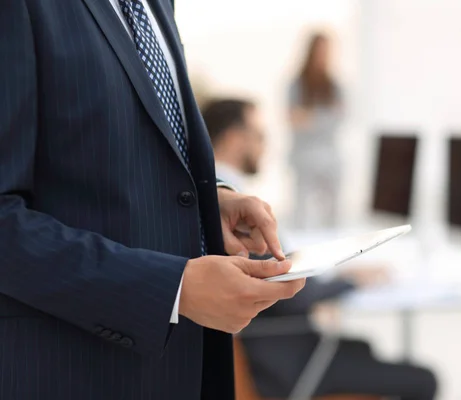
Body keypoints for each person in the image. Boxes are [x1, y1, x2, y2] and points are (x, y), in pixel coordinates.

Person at [0, 2, 305, 400]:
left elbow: (121, 153)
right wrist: (172, 289)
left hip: (181, 371)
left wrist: (210, 205)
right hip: (72, 373)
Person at [203, 98, 438, 400]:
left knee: (363, 347)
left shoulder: (221, 193)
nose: (267, 146)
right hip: (287, 366)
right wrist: (350, 281)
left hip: (280, 349)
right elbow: (291, 291)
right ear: (236, 139)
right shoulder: (231, 208)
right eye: (260, 136)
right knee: (424, 380)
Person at [288, 32, 344, 230]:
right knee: (302, 213)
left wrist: (311, 117)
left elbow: (341, 117)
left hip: (329, 156)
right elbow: (295, 119)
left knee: (333, 213)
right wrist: (325, 117)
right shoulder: (297, 84)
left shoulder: (335, 85)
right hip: (304, 157)